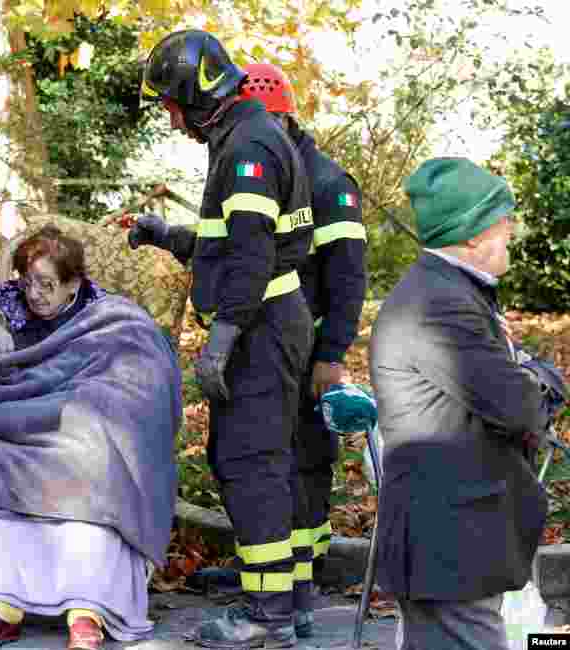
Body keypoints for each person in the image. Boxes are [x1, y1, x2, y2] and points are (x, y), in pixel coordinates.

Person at [131, 31, 314, 647]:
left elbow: (250, 258)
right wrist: (166, 235)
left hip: (260, 327)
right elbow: (225, 237)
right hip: (268, 322)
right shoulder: (246, 135)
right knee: (255, 460)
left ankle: (269, 618)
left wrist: (221, 343)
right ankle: (282, 597)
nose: (171, 117)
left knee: (250, 464)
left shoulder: (249, 147)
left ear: (196, 92)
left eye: (172, 104)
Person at [0, 225, 181, 650]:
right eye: (27, 282)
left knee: (99, 460)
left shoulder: (109, 315)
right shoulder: (4, 304)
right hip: (7, 422)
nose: (35, 295)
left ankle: (87, 608)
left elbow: (143, 372)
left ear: (74, 284)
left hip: (73, 425)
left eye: (47, 285)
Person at [370, 157, 563, 649]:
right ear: (474, 234)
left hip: (459, 541)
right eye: (503, 223)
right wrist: (545, 378)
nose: (511, 234)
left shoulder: (454, 292)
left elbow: (510, 384)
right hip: (450, 547)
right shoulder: (440, 303)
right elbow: (520, 406)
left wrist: (526, 374)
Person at [238, 62, 368, 635]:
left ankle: (302, 579)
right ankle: (292, 580)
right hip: (270, 344)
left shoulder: (328, 184)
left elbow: (347, 278)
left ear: (286, 119)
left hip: (308, 347)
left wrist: (332, 353)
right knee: (279, 458)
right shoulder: (267, 170)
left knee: (305, 461)